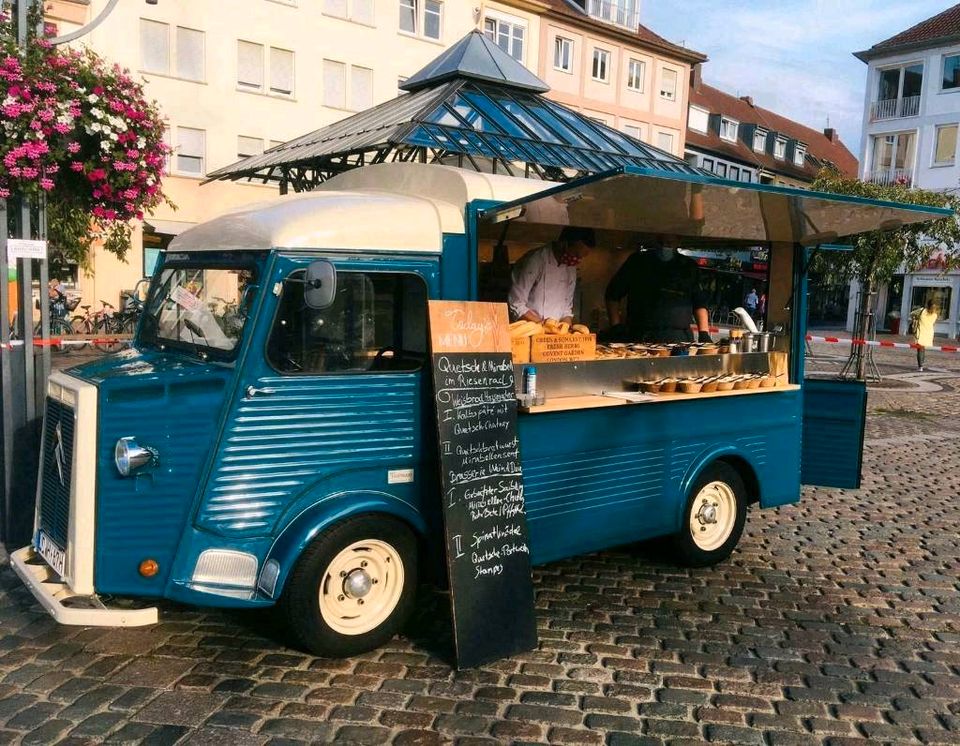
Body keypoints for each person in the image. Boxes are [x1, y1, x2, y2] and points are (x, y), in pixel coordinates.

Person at [604, 243, 711, 343]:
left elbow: (700, 303)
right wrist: (616, 327)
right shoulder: (638, 261)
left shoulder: (689, 266)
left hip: (679, 339)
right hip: (640, 337)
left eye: (670, 241)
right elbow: (613, 294)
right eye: (662, 240)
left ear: (679, 240)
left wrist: (704, 333)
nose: (666, 244)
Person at [508, 226, 595, 323]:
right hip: (530, 329)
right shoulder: (535, 260)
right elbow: (516, 303)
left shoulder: (570, 268)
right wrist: (542, 325)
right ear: (563, 244)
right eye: (576, 255)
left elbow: (566, 309)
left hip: (555, 334)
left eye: (581, 257)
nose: (577, 260)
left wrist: (565, 327)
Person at [914, 298, 939, 372]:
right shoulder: (935, 315)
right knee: (922, 349)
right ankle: (921, 365)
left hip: (921, 332)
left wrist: (916, 318)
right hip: (929, 333)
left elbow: (912, 314)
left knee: (920, 349)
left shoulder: (922, 311)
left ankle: (920, 366)